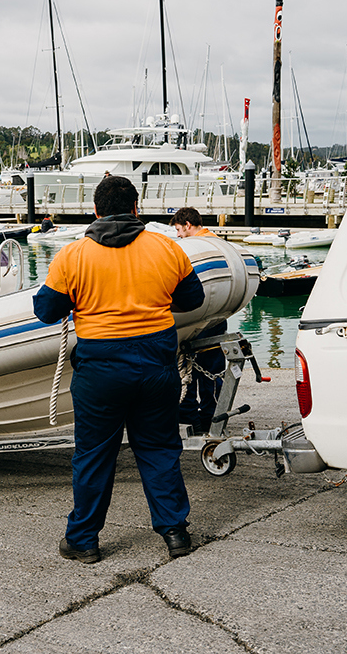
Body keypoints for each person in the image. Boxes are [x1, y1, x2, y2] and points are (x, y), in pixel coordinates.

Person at [33, 176, 205, 563]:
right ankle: (175, 531)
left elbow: (46, 311)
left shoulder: (72, 256)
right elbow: (193, 299)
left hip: (100, 368)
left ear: (95, 211)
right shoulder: (166, 247)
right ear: (136, 208)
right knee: (159, 448)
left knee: (94, 455)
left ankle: (83, 540)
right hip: (156, 364)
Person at [170, 207, 227, 433]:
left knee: (189, 368)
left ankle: (190, 417)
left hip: (199, 319)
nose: (178, 235)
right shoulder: (217, 243)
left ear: (187, 224)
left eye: (178, 229)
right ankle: (210, 417)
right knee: (211, 370)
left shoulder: (194, 249)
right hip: (217, 316)